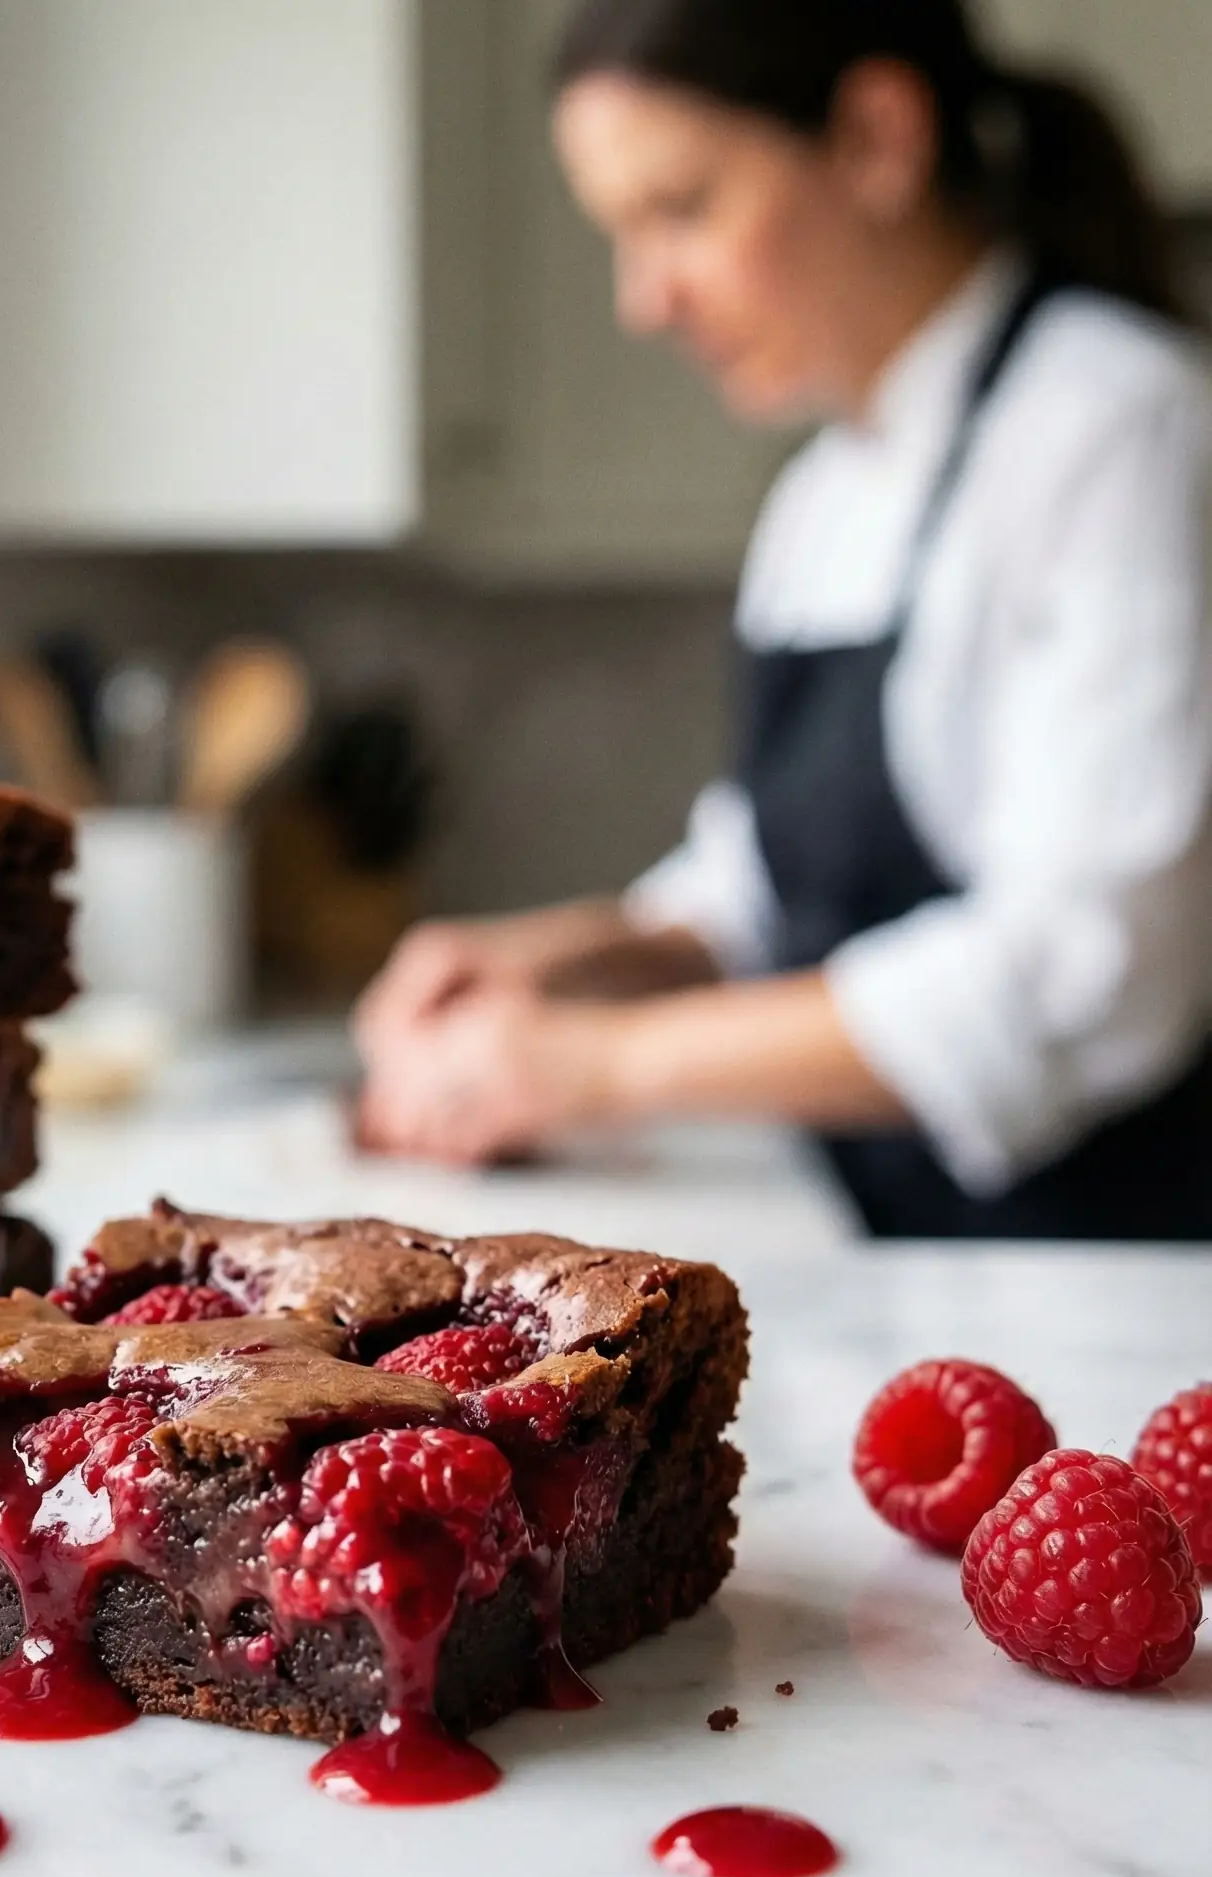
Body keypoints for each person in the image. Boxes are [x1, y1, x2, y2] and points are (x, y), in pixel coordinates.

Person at [354, 0, 1212, 1240]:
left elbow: (1088, 968)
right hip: (909, 1260)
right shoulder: (825, 489)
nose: (641, 300)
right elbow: (773, 881)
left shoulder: (1117, 427)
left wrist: (594, 1065)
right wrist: (582, 957)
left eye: (680, 210)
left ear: (873, 139)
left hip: (1110, 1282)